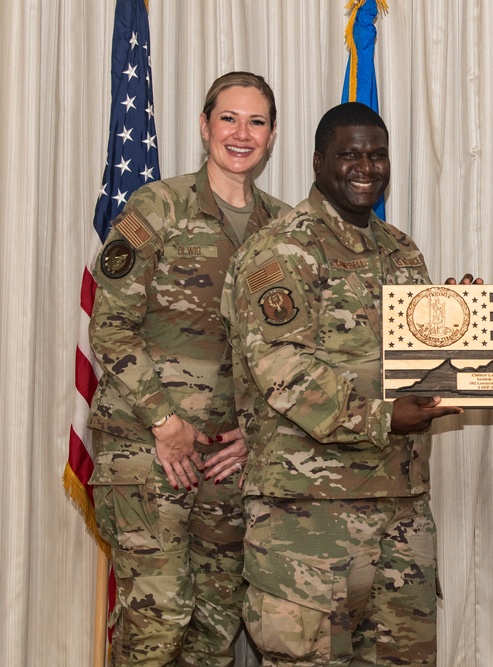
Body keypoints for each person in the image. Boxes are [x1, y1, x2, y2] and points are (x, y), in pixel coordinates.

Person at [222, 102, 475, 666]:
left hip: (401, 513)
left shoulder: (400, 248)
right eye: (349, 154)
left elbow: (421, 365)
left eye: (377, 154)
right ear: (317, 162)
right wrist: (384, 416)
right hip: (309, 524)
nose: (366, 166)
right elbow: (283, 372)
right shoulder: (282, 249)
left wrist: (461, 317)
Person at [88, 71, 289, 665]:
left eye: (256, 122)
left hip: (229, 460)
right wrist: (164, 420)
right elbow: (110, 325)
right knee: (159, 616)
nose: (241, 133)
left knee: (216, 623)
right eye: (229, 118)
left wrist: (256, 437)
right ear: (205, 126)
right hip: (148, 451)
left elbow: (288, 354)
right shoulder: (159, 206)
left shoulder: (283, 230)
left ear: (272, 136)